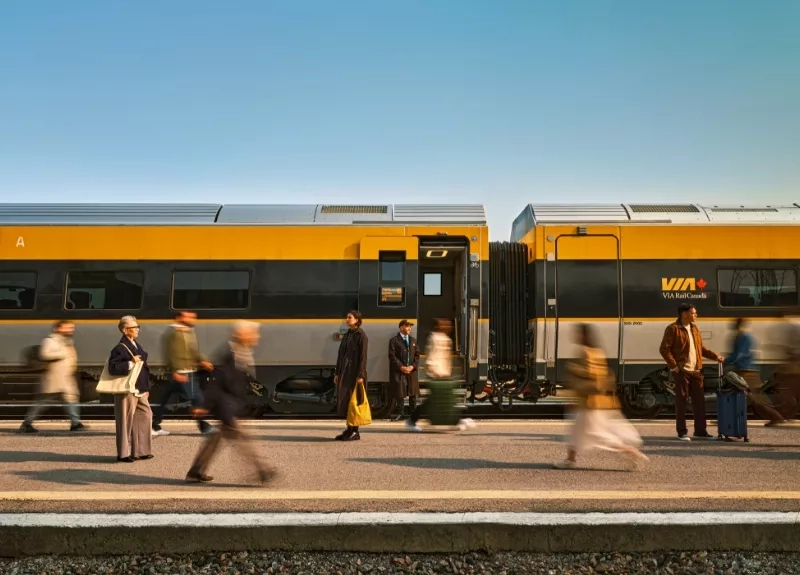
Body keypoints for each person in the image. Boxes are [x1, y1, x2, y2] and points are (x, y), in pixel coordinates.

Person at [186, 320, 275, 484]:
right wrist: (204, 406)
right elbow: (215, 383)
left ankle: (196, 470)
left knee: (215, 440)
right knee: (245, 439)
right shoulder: (230, 354)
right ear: (243, 335)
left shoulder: (241, 351)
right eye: (254, 333)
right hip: (226, 406)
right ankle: (262, 470)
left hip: (232, 405)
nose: (257, 337)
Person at [553, 323, 647, 470]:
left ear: (584, 335)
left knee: (596, 434)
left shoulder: (584, 352)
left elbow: (589, 374)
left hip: (588, 402)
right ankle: (570, 460)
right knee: (575, 431)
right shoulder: (598, 351)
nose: (575, 335)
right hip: (593, 401)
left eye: (578, 333)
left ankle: (629, 451)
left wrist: (572, 369)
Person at [659, 303, 724, 441]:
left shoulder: (694, 329)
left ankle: (700, 431)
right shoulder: (673, 329)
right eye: (694, 313)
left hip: (696, 371)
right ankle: (682, 432)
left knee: (699, 402)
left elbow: (701, 348)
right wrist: (674, 366)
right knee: (681, 401)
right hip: (682, 371)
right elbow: (664, 349)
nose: (696, 315)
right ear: (684, 314)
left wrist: (715, 357)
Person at [405, 318, 475, 432]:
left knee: (440, 400)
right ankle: (458, 420)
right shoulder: (435, 338)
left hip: (442, 374)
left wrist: (446, 372)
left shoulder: (444, 338)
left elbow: (445, 358)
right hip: (437, 375)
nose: (450, 328)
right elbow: (432, 356)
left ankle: (457, 420)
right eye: (447, 326)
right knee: (437, 401)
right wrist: (434, 371)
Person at [152, 311, 214, 436]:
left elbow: (193, 351)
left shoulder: (188, 331)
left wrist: (203, 361)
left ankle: (154, 425)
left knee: (167, 399)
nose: (193, 318)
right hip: (181, 372)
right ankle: (204, 427)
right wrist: (175, 371)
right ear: (179, 318)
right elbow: (170, 353)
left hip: (188, 370)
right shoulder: (172, 333)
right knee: (196, 398)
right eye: (189, 316)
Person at [19, 320, 87, 433]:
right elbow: (44, 354)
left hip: (65, 377)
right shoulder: (49, 341)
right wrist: (61, 354)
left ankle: (75, 423)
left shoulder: (67, 342)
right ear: (58, 328)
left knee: (71, 399)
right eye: (67, 328)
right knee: (42, 402)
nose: (71, 330)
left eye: (71, 328)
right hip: (53, 378)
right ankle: (27, 423)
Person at [724, 318, 785, 426]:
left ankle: (776, 416)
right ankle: (732, 419)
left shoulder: (744, 337)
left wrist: (726, 360)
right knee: (749, 396)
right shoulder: (742, 336)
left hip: (747, 372)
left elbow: (740, 354)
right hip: (744, 370)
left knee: (755, 397)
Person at [108, 315, 153, 462]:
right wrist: (130, 362)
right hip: (126, 389)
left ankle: (140, 451)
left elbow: (144, 368)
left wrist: (146, 388)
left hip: (138, 387)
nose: (138, 330)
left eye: (137, 327)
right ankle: (123, 454)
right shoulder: (120, 348)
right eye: (135, 327)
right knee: (125, 421)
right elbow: (113, 368)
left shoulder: (135, 345)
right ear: (125, 330)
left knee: (145, 414)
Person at [334, 310, 368, 441]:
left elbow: (363, 357)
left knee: (354, 402)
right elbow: (340, 355)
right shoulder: (348, 334)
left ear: (357, 320)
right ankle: (349, 429)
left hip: (355, 373)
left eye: (349, 318)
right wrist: (337, 372)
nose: (347, 320)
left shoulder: (361, 335)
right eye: (347, 318)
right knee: (347, 401)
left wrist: (360, 375)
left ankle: (355, 431)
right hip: (345, 372)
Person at [388, 319, 420, 421]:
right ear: (401, 327)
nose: (409, 328)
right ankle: (400, 413)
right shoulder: (394, 341)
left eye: (410, 326)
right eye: (407, 326)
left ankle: (413, 414)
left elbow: (417, 356)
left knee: (412, 392)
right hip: (399, 370)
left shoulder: (413, 341)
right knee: (399, 393)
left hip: (411, 370)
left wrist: (413, 366)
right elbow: (392, 355)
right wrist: (401, 367)